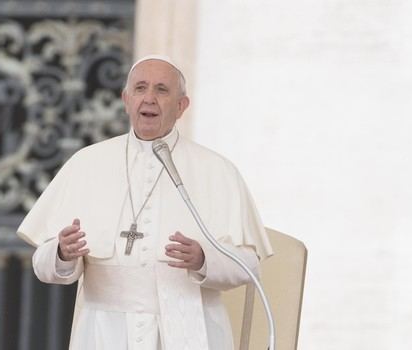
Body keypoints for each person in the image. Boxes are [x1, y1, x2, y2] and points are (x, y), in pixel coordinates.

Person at [17, 55, 273, 350]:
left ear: (181, 106)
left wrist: (204, 259)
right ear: (126, 100)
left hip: (191, 329)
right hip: (103, 334)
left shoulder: (217, 170)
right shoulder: (86, 163)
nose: (149, 98)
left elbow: (249, 265)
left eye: (162, 90)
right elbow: (42, 265)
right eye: (140, 88)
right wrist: (61, 252)